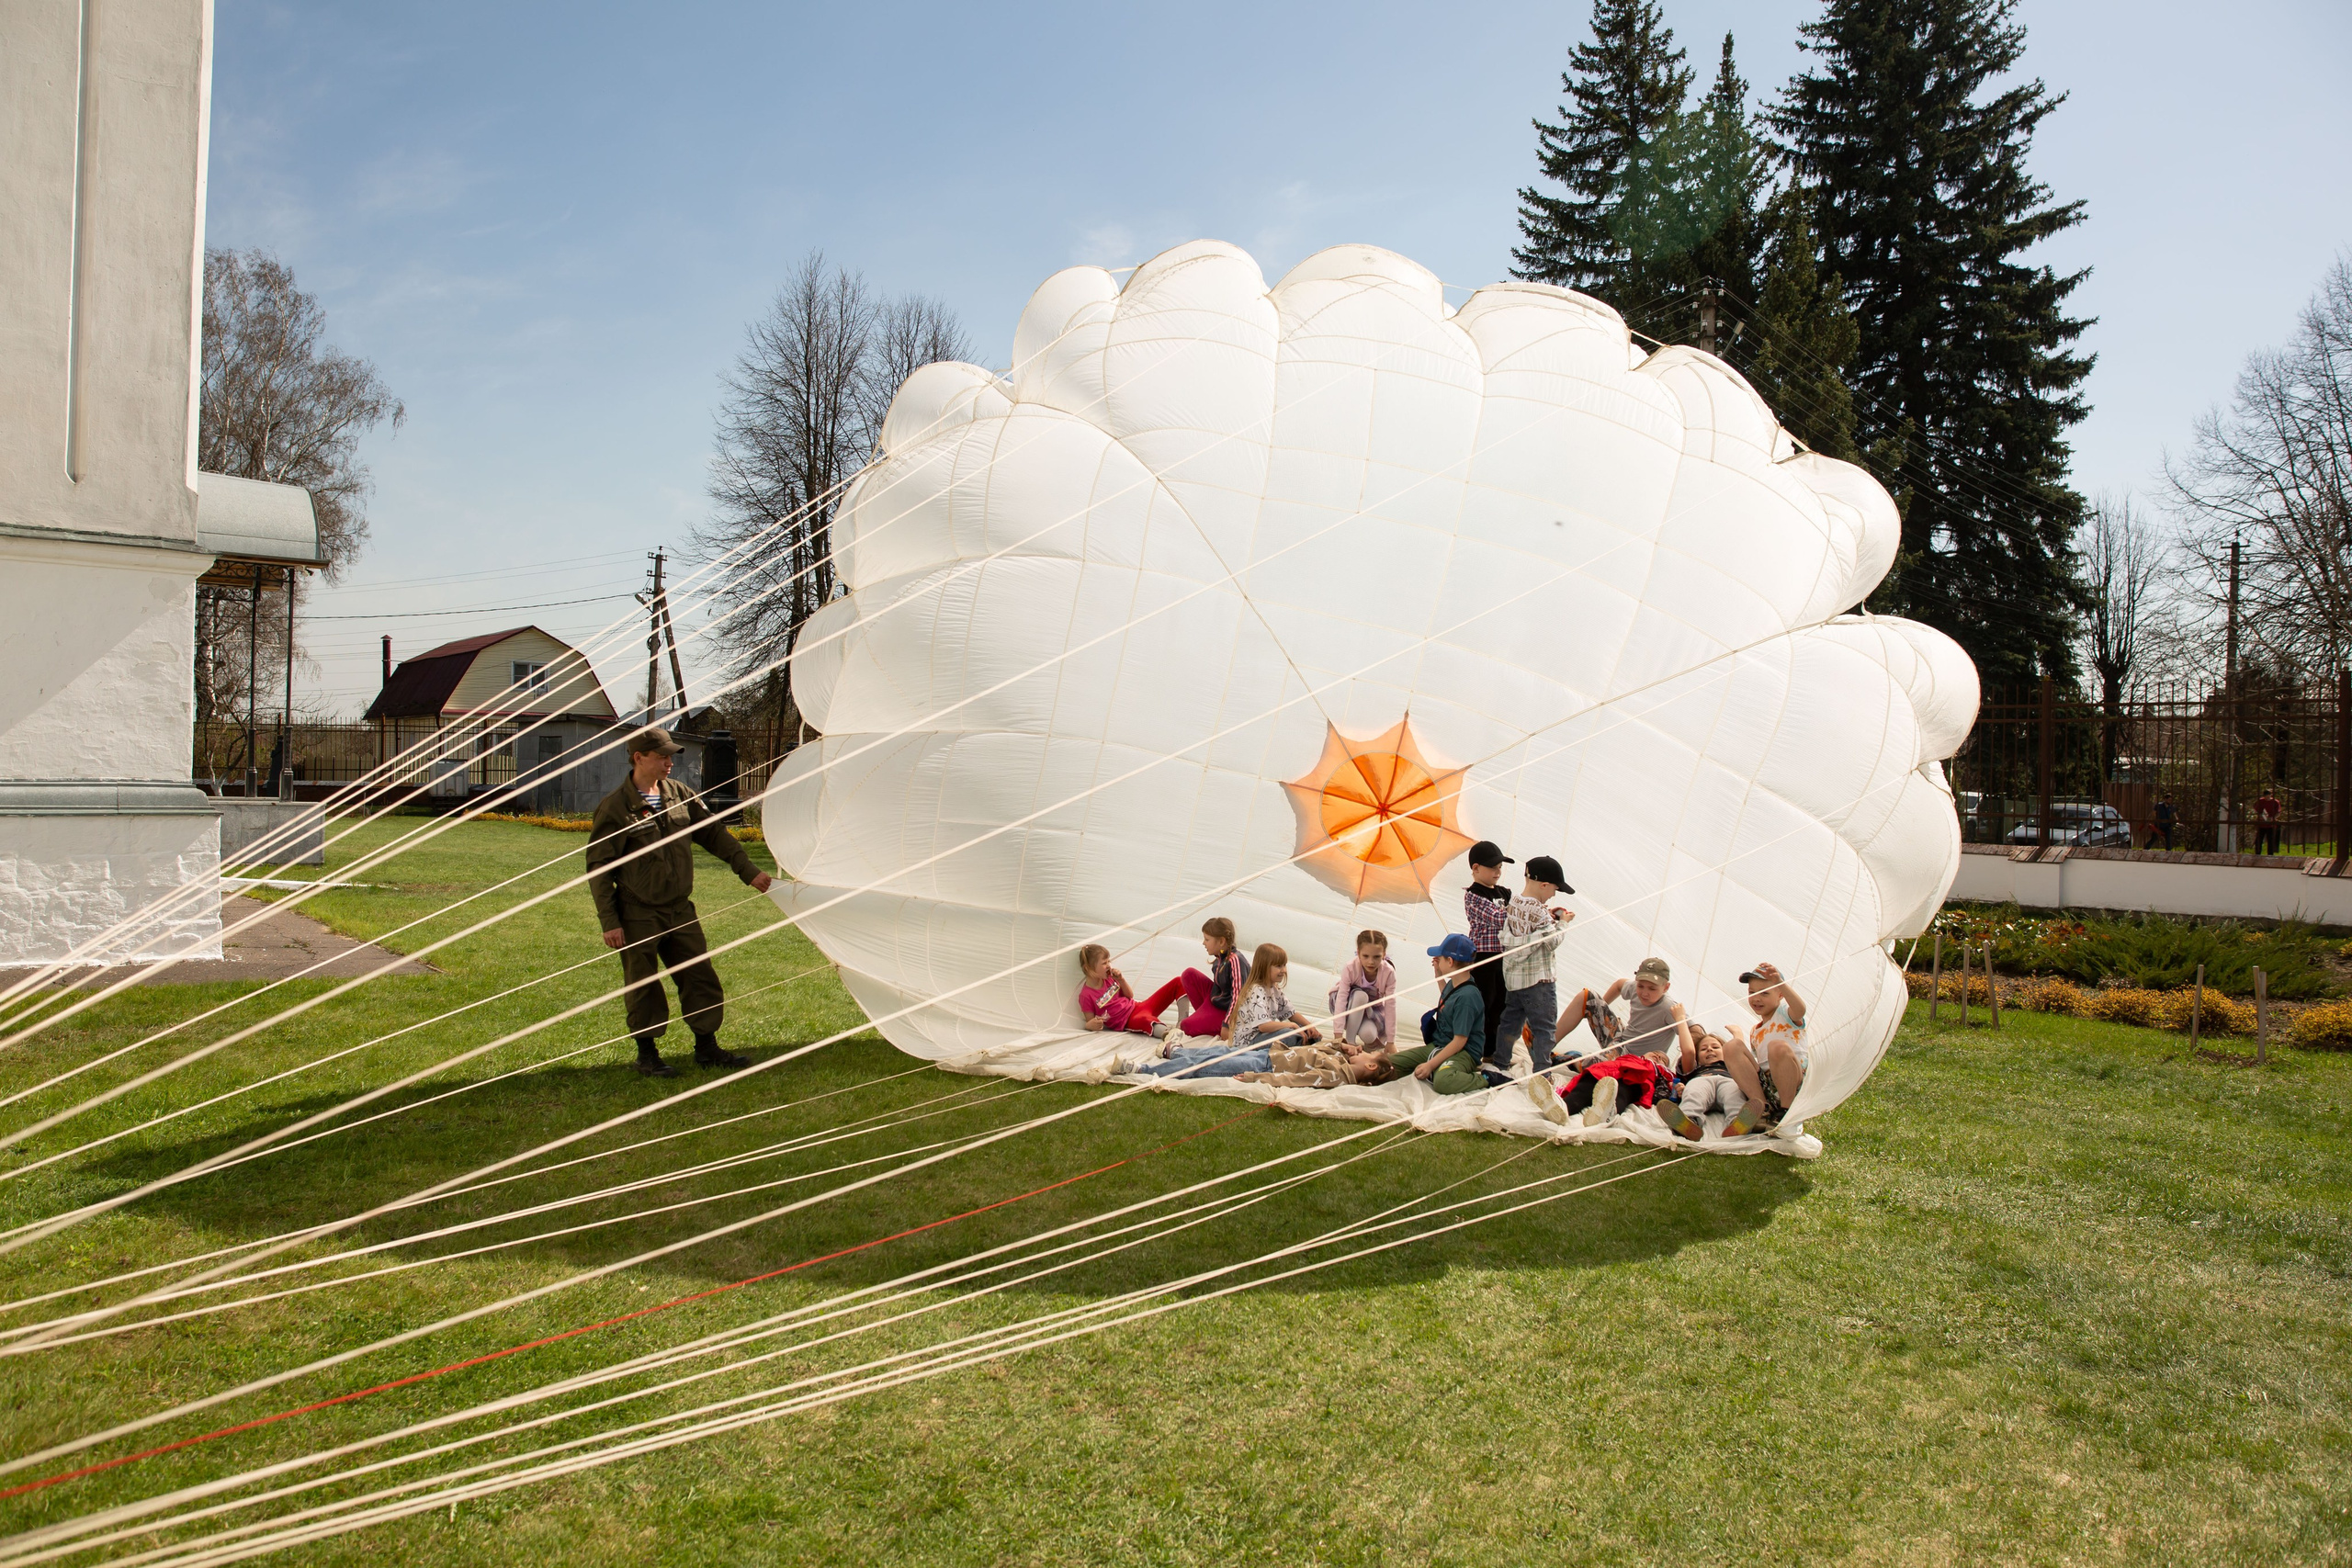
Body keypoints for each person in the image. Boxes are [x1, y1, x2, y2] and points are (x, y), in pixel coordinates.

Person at [587, 728, 773, 1078]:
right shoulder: (615, 808)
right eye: (662, 757)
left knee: (699, 976)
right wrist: (609, 920)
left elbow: (715, 835)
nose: (670, 763)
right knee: (644, 984)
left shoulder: (680, 795)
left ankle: (706, 1047)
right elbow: (598, 868)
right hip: (637, 910)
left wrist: (748, 872)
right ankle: (648, 1054)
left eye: (671, 757)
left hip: (679, 909)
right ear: (639, 757)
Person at [1142, 942, 1318, 1078]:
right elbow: (1264, 1026)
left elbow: (1290, 1013)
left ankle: (1178, 1052)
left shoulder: (1274, 990)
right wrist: (1293, 1028)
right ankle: (1177, 1054)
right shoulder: (1256, 990)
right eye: (1279, 966)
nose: (1284, 970)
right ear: (1265, 967)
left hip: (1259, 1037)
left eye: (1284, 965)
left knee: (1303, 1036)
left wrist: (1308, 1026)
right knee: (1289, 1035)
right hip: (1249, 1040)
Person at [1529, 991, 1690, 1126]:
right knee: (1586, 1083)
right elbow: (1621, 984)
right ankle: (1563, 1108)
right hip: (1610, 1069)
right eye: (1656, 1053)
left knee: (1622, 1092)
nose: (1658, 1056)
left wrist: (1677, 1089)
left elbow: (1668, 1088)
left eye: (1662, 1058)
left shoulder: (1661, 1073)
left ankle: (1606, 1113)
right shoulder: (1631, 1057)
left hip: (1634, 1079)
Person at [1491, 854, 1574, 1079]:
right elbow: (1552, 941)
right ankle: (1542, 1073)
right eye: (1554, 889)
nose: (1553, 894)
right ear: (1544, 885)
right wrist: (1563, 922)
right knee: (1544, 1028)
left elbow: (1526, 926)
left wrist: (1549, 918)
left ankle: (1500, 1062)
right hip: (1539, 982)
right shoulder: (1540, 912)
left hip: (1515, 980)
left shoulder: (1514, 902)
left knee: (1510, 1023)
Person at [1385, 934, 1488, 1095]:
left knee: (1443, 1081)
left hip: (1464, 1052)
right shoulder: (1456, 983)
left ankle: (1488, 1079)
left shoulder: (1467, 997)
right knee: (1389, 1063)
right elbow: (1447, 1002)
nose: (1436, 960)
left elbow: (1460, 1041)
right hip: (1441, 1045)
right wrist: (1439, 977)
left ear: (1450, 961)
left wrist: (1431, 1065)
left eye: (1440, 958)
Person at [1717, 960, 1808, 1137]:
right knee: (1731, 1046)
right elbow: (1751, 1064)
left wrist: (1782, 984)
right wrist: (1737, 1037)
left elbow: (1800, 1010)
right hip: (1768, 1085)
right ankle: (1761, 1109)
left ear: (1780, 995)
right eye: (1752, 992)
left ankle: (1786, 1113)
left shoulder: (1786, 1015)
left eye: (1764, 993)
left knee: (1777, 1047)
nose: (1757, 998)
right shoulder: (1755, 1031)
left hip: (1791, 1082)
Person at [1555, 957, 1681, 1066]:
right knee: (1587, 996)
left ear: (1666, 987)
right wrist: (1600, 1009)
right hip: (1620, 1040)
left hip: (1636, 1062)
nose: (1644, 993)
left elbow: (1695, 1034)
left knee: (1597, 1066)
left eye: (1652, 989)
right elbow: (1619, 985)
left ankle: (1568, 1059)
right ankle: (1546, 1044)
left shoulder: (1669, 1007)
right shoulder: (1635, 988)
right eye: (1640, 986)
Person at [1134, 918, 1248, 1040]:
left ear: (1221, 941)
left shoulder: (1235, 961)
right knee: (1189, 974)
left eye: (1207, 939)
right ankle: (1204, 1018)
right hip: (1217, 1000)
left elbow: (1238, 997)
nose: (1203, 943)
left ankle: (1209, 1022)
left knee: (1185, 1026)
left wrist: (1227, 1025)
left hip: (1228, 1011)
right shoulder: (1220, 957)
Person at [1461, 840, 1514, 1070]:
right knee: (1484, 1001)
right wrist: (1518, 914)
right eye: (1493, 867)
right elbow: (1500, 918)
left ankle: (1492, 1051)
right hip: (1483, 957)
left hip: (1505, 956)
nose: (1498, 872)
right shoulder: (1473, 895)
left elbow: (1517, 914)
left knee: (1502, 1003)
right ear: (1475, 868)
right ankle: (1475, 1049)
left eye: (1500, 867)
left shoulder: (1505, 892)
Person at [1654, 1023, 1743, 1141]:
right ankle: (1689, 1121)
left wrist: (1737, 1033)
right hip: (1702, 1079)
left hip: (1727, 1080)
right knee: (1694, 1091)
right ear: (1698, 1058)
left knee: (1734, 1094)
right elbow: (1688, 1051)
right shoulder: (1694, 1069)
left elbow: (1738, 1050)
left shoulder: (1731, 1065)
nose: (1710, 1049)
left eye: (1715, 1047)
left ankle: (1738, 1123)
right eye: (1703, 1049)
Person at [1077, 944, 1170, 1038]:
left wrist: (1121, 980)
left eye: (1109, 961)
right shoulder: (1086, 995)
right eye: (1104, 963)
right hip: (1127, 1020)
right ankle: (1169, 1035)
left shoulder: (1109, 978)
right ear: (1088, 968)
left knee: (1177, 982)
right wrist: (1088, 1025)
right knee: (1146, 1020)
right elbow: (1090, 1021)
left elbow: (1130, 995)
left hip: (1137, 1006)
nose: (1109, 966)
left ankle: (1181, 1021)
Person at [1326, 930, 1397, 1050]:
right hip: (1348, 1006)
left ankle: (1359, 1031)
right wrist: (1338, 1036)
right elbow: (1342, 999)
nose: (1371, 962)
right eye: (1365, 956)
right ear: (1358, 953)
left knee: (1369, 1035)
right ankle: (1350, 1042)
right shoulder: (1350, 968)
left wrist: (1391, 1041)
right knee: (1361, 996)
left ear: (1384, 954)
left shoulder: (1389, 972)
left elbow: (1390, 1005)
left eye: (1377, 957)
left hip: (1369, 1009)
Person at [2255, 786, 2284, 856]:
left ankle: (2270, 855)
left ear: (2271, 795)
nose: (2267, 798)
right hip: (2261, 824)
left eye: (2268, 796)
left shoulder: (2275, 802)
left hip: (2271, 824)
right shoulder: (2260, 801)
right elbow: (2257, 811)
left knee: (2270, 841)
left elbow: (2278, 813)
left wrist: (2272, 818)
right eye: (2266, 797)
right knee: (2258, 840)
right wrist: (2261, 816)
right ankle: (2257, 854)